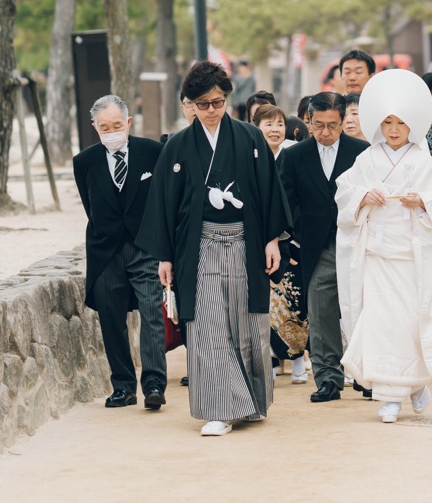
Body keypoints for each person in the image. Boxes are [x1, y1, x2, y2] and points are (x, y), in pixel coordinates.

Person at [137, 61, 287, 437]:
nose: (210, 111)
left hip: (245, 241)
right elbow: (164, 205)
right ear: (189, 104)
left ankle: (250, 402)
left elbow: (267, 190)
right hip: (198, 246)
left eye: (217, 102)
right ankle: (221, 407)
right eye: (201, 104)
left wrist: (271, 239)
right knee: (206, 325)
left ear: (227, 100)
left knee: (246, 323)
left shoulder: (250, 138)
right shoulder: (178, 147)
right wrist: (166, 256)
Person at [337, 70, 432, 423]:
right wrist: (363, 196)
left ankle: (412, 385)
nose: (394, 129)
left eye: (400, 122)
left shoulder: (423, 161)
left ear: (412, 124)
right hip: (378, 255)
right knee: (382, 325)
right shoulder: (366, 160)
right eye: (387, 122)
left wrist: (423, 201)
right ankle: (391, 396)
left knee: (411, 326)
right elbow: (344, 192)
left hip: (412, 257)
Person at [72, 95, 167, 409]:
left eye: (116, 125)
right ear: (94, 128)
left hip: (146, 246)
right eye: (104, 127)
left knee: (152, 313)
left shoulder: (153, 153)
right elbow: (91, 206)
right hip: (105, 250)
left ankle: (154, 384)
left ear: (128, 123)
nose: (111, 131)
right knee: (111, 319)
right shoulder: (84, 162)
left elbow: (163, 201)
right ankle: (123, 386)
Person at [275, 92, 368, 404]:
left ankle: (368, 375)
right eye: (319, 125)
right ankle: (328, 377)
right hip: (315, 245)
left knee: (363, 309)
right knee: (321, 310)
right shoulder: (294, 156)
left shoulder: (362, 152)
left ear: (343, 122)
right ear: (308, 122)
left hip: (356, 241)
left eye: (333, 125)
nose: (326, 131)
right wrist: (300, 231)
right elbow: (286, 201)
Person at [253, 103, 306, 385]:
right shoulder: (250, 157)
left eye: (279, 124)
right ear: (256, 127)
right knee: (267, 304)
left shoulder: (293, 155)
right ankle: (271, 357)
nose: (275, 129)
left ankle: (298, 358)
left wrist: (292, 242)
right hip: (258, 240)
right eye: (268, 124)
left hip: (292, 242)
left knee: (293, 303)